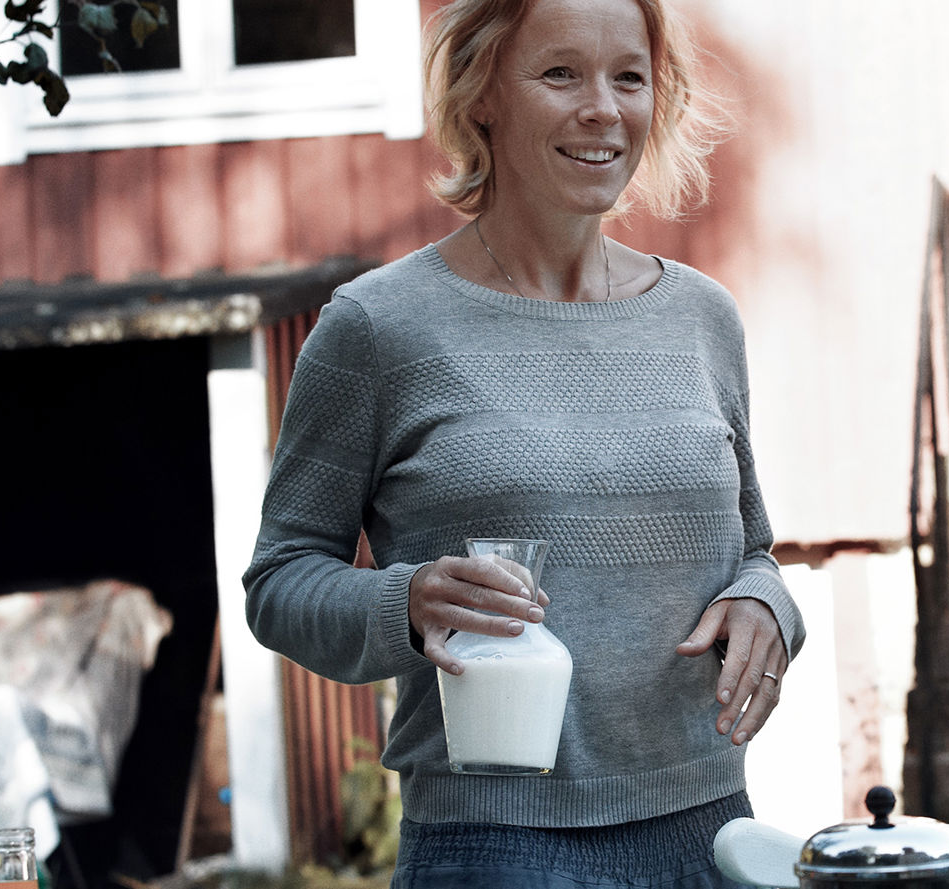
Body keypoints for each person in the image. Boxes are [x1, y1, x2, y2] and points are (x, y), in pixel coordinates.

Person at [243, 0, 806, 885]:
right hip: (494, 845)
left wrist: (771, 606)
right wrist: (408, 603)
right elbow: (280, 581)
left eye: (629, 77)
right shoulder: (378, 327)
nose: (604, 109)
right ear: (482, 98)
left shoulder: (703, 317)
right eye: (559, 74)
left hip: (711, 834)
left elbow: (752, 552)